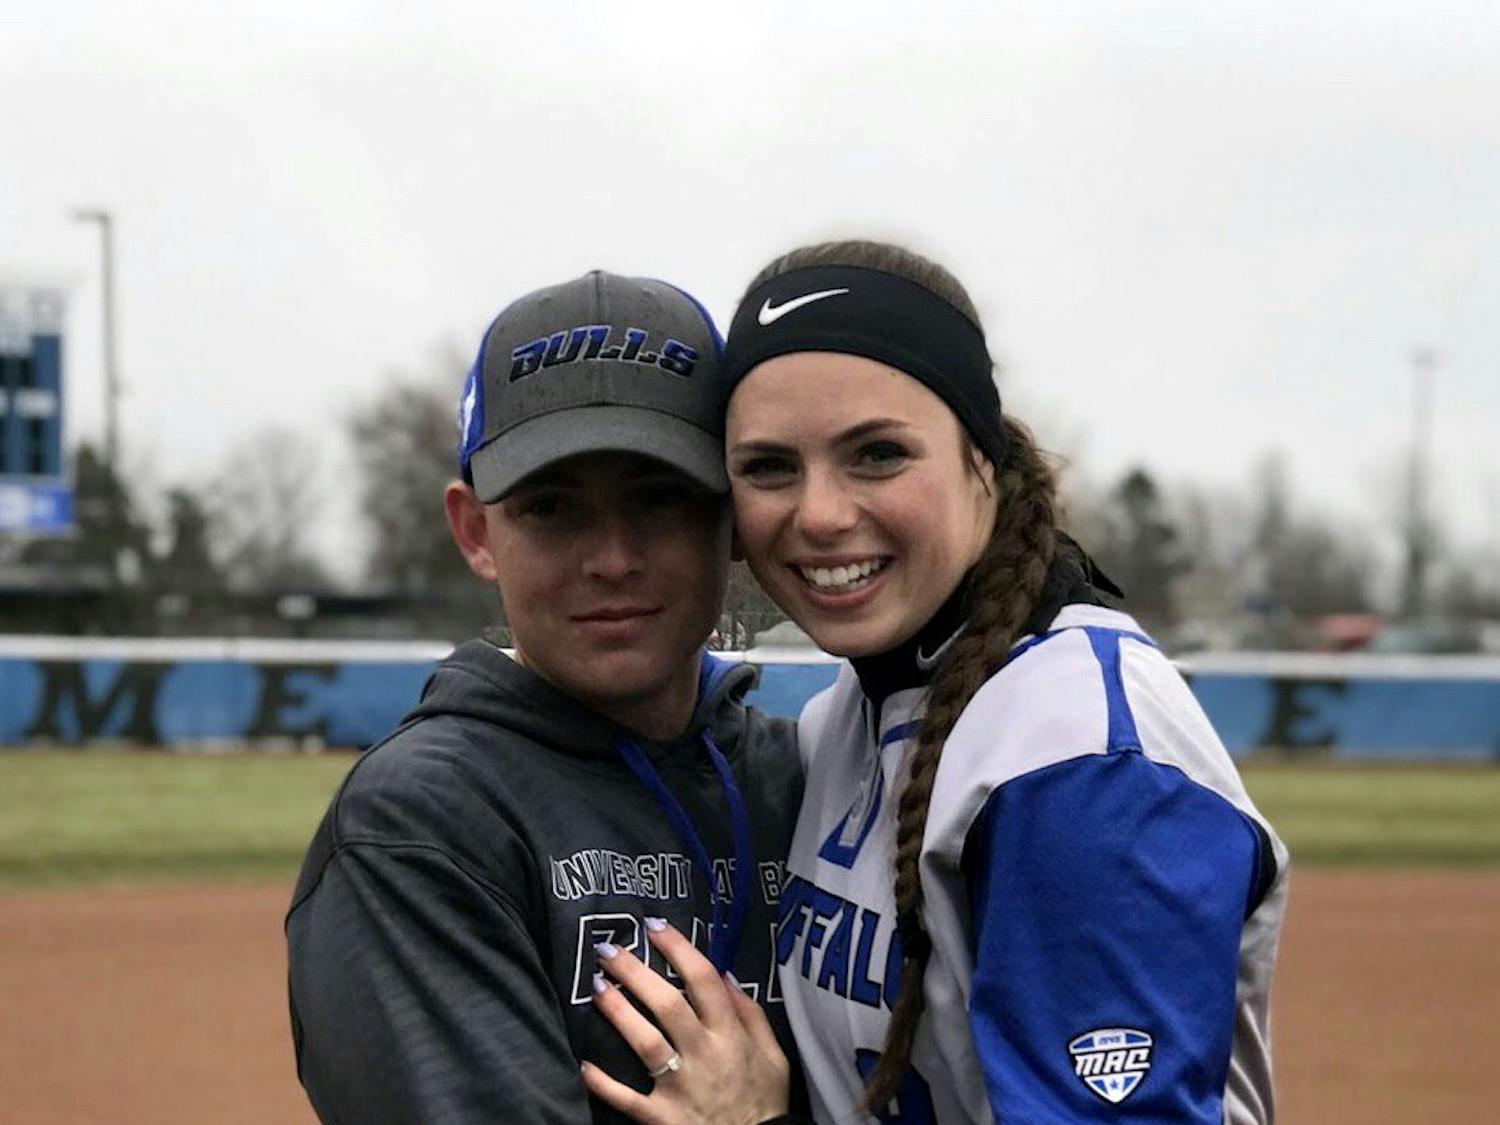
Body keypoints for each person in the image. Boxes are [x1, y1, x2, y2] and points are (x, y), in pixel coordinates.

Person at [585, 241, 1289, 1124]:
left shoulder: (1081, 766)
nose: (822, 513)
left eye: (877, 454)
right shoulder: (853, 710)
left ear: (981, 454)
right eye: (769, 466)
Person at [286, 270, 806, 1124]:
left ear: (733, 518)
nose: (611, 557)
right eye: (554, 509)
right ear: (476, 531)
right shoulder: (421, 824)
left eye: (661, 500)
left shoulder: (810, 779)